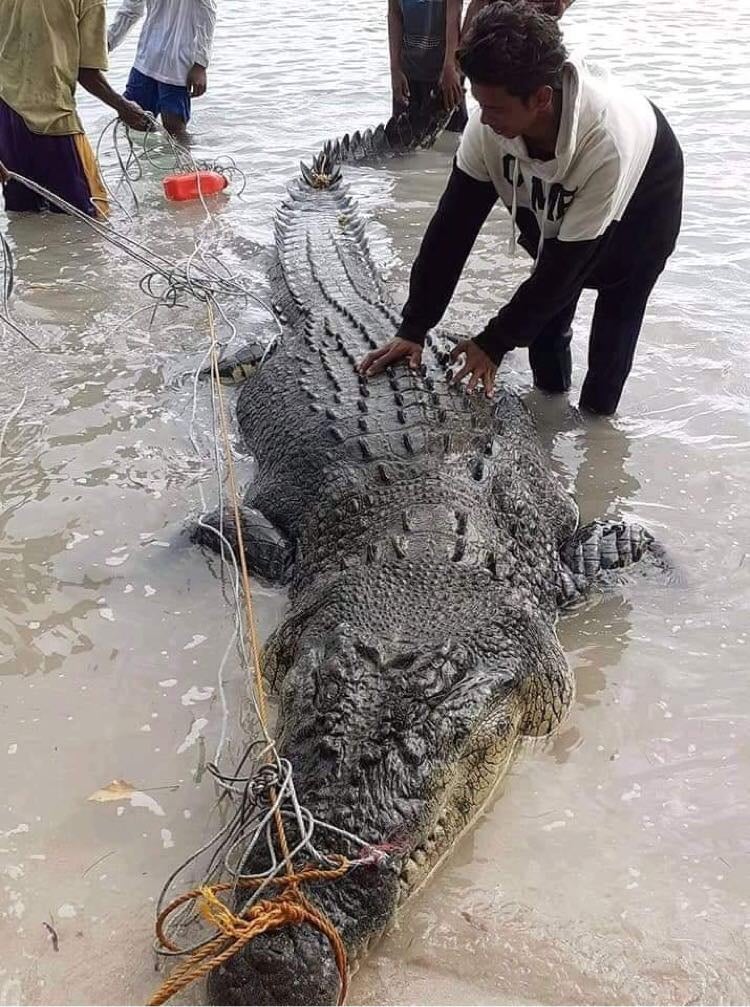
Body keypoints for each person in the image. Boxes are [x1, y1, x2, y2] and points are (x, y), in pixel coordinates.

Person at [360, 1, 683, 416]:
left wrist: (492, 343)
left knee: (613, 331)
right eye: (479, 104)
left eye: (495, 108)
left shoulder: (605, 145)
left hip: (646, 197)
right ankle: (550, 412)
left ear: (540, 99)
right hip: (557, 187)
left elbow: (565, 268)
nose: (484, 119)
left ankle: (595, 432)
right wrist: (414, 328)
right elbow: (451, 232)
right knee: (545, 329)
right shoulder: (487, 127)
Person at [0, 0, 149, 219]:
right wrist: (124, 107)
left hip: (7, 121)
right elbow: (88, 72)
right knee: (91, 219)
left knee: (24, 218)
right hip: (54, 122)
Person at [108, 0, 217, 141]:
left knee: (175, 130)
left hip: (177, 62)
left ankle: (185, 162)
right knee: (131, 120)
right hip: (146, 59)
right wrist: (108, 42)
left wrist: (201, 64)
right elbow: (131, 8)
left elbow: (208, 10)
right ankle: (141, 161)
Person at [388, 0, 468, 133]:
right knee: (401, 140)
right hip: (408, 72)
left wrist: (450, 66)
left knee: (453, 137)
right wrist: (395, 68)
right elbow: (394, 13)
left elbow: (454, 16)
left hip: (443, 73)